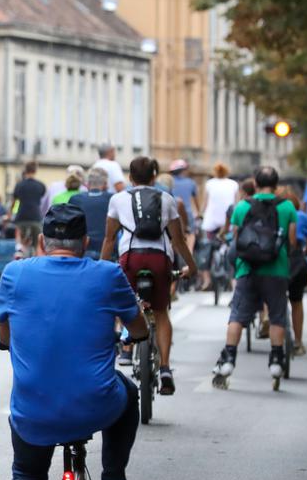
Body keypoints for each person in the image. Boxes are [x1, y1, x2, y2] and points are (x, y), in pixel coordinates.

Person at [0, 204, 146, 480]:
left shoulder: (16, 273)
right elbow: (139, 329)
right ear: (86, 244)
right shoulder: (108, 275)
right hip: (95, 404)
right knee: (129, 394)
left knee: (27, 474)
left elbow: (4, 332)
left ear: (42, 242)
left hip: (34, 409)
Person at [102, 157, 197, 396]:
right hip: (158, 258)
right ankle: (165, 368)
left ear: (130, 177)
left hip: (131, 258)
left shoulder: (118, 199)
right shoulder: (167, 199)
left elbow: (110, 238)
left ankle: (125, 347)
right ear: (154, 176)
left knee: (124, 303)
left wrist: (101, 269)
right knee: (161, 311)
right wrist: (191, 266)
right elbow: (178, 240)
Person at [211, 166, 298, 383]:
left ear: (256, 183)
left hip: (247, 269)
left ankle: (229, 357)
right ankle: (277, 361)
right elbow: (292, 240)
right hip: (276, 270)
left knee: (238, 315)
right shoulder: (287, 207)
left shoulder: (242, 206)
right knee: (277, 315)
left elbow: (236, 238)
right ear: (277, 185)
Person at [279, 186, 307, 356]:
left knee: (272, 296)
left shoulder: (275, 214)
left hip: (277, 262)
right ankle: (298, 341)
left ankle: (268, 319)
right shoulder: (302, 217)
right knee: (297, 301)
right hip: (297, 262)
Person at [198, 162, 239, 290]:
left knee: (206, 246)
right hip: (229, 221)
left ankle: (206, 279)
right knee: (231, 246)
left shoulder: (209, 184)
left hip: (211, 222)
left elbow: (205, 203)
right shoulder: (234, 184)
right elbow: (237, 204)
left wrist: (200, 214)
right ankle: (233, 280)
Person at [69, 167, 111, 260]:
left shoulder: (75, 199)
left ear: (87, 184)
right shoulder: (112, 198)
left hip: (82, 250)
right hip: (107, 250)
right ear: (105, 184)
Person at [11, 161, 46, 258]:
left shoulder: (19, 185)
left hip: (21, 216)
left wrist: (10, 214)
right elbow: (42, 202)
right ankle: (36, 256)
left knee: (19, 233)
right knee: (37, 242)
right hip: (35, 216)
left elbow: (14, 202)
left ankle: (19, 249)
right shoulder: (41, 186)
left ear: (25, 170)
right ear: (35, 171)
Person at [169, 160, 201, 245]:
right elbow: (196, 203)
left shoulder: (169, 182)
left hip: (172, 214)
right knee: (191, 235)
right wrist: (199, 213)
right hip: (187, 215)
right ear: (183, 171)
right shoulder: (191, 183)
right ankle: (189, 253)